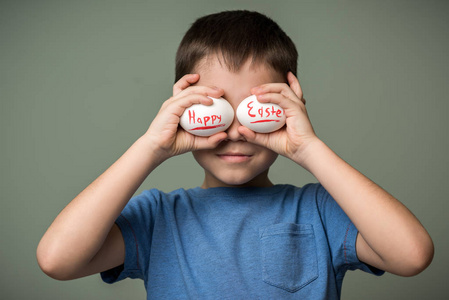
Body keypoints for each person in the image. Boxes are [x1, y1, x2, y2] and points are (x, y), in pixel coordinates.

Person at [37, 10, 434, 299]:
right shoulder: (159, 218)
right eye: (214, 110)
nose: (236, 132)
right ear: (184, 113)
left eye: (255, 111)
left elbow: (412, 255)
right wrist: (150, 147)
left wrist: (308, 148)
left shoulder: (319, 211)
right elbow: (57, 261)